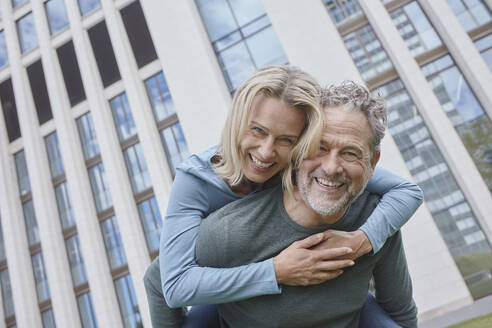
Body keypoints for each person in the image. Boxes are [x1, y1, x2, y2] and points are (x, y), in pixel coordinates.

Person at [144, 66, 423, 327]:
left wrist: (362, 241)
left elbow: (406, 191)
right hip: (227, 280)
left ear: (301, 143)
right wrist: (276, 271)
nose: (266, 152)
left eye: (286, 139)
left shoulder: (312, 167)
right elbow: (171, 282)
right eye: (257, 130)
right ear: (236, 122)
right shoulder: (196, 182)